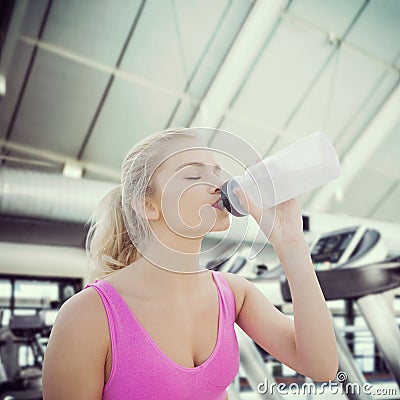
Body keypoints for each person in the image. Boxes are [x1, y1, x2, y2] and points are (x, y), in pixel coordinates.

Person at [41, 128, 338, 399]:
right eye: (194, 175)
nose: (219, 184)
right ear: (148, 205)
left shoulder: (234, 294)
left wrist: (292, 247)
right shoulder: (86, 316)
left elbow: (321, 367)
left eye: (218, 172)